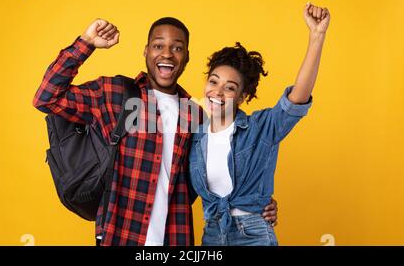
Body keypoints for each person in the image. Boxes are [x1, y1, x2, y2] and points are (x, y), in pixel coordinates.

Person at [33, 17, 277, 246]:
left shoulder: (196, 116)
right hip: (120, 233)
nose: (167, 54)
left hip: (174, 237)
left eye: (177, 48)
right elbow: (46, 98)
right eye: (158, 45)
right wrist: (86, 43)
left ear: (187, 57)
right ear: (146, 51)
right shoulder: (115, 93)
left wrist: (255, 205)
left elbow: (216, 175)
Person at [188, 3, 330, 246]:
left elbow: (297, 99)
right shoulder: (194, 137)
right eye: (213, 82)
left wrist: (316, 36)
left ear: (243, 97)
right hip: (211, 236)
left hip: (252, 235)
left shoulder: (261, 128)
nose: (217, 92)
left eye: (230, 88)